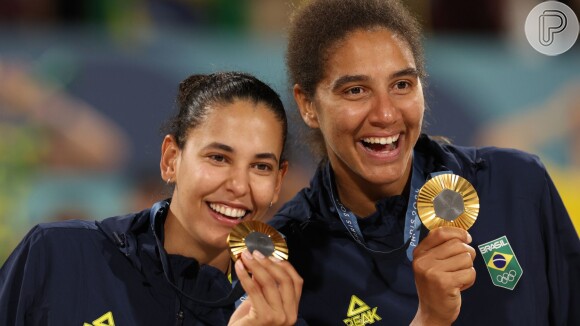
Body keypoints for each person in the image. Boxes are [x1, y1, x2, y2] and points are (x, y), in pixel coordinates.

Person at [268, 0, 580, 325]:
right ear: (307, 105)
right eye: (356, 90)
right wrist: (430, 318)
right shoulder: (289, 258)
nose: (386, 114)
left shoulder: (517, 185)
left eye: (401, 85)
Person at [0, 71, 303, 325]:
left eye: (261, 166)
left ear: (278, 181)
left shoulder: (272, 317)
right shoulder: (60, 257)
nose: (239, 185)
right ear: (171, 159)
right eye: (218, 157)